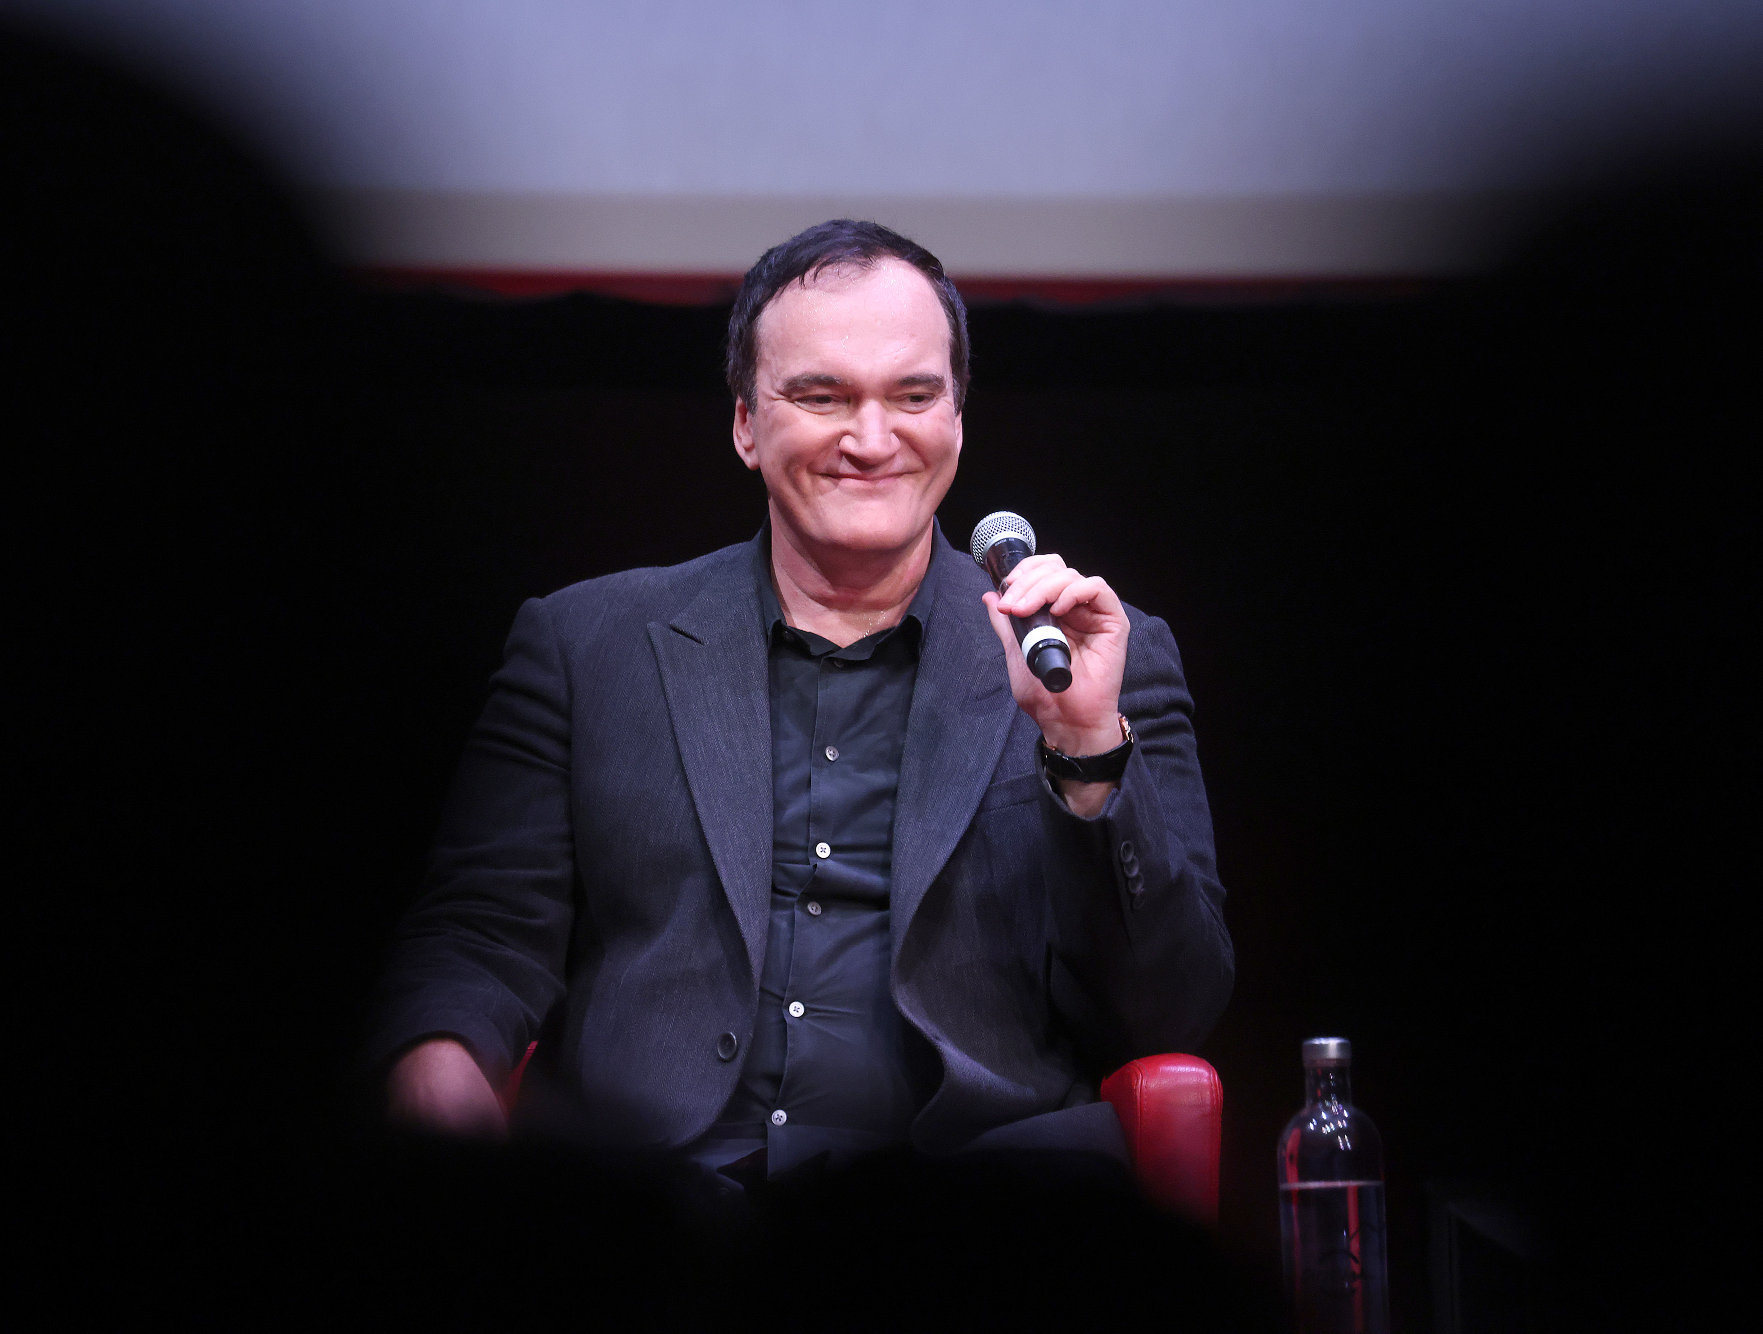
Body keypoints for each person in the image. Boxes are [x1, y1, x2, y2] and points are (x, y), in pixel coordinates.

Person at [372, 220, 1232, 1185]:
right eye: (822, 396)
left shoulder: (1091, 657)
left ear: (957, 418)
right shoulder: (584, 646)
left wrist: (1082, 754)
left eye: (914, 395)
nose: (872, 439)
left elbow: (1170, 1011)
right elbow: (482, 935)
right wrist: (439, 1071)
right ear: (746, 422)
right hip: (657, 1196)